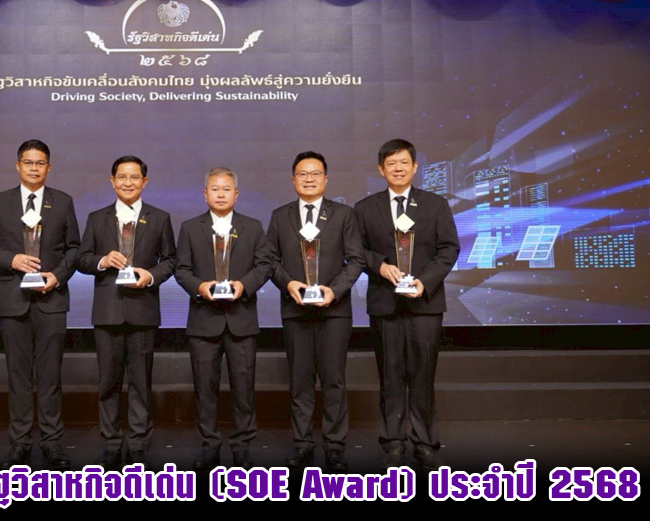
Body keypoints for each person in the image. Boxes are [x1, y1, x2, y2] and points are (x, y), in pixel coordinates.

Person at [0, 139, 80, 470]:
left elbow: (74, 248)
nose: (34, 168)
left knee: (50, 375)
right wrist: (11, 259)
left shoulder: (62, 201)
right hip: (13, 300)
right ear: (17, 165)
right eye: (28, 162)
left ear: (48, 167)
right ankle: (19, 443)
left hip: (51, 299)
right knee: (18, 375)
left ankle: (51, 442)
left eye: (40, 162)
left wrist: (57, 276)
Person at [354, 139, 459, 471]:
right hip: (385, 304)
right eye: (391, 163)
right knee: (390, 375)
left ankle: (425, 444)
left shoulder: (435, 205)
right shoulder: (365, 208)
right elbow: (356, 250)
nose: (397, 169)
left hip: (425, 304)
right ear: (380, 169)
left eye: (403, 163)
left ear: (414, 167)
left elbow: (449, 249)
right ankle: (393, 443)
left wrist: (424, 281)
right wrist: (380, 265)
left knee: (423, 375)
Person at [266, 151, 365, 472]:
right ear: (293, 179)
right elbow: (270, 261)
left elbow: (357, 259)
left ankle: (335, 445)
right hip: (295, 310)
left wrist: (334, 290)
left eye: (315, 173)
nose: (309, 179)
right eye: (302, 174)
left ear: (325, 178)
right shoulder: (280, 216)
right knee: (300, 380)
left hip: (334, 311)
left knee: (334, 380)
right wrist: (289, 283)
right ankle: (302, 444)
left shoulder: (344, 214)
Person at [76, 155, 176, 470]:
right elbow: (82, 259)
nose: (128, 183)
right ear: (112, 181)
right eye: (122, 177)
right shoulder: (97, 218)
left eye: (134, 177)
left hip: (143, 310)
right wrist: (103, 261)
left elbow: (171, 260)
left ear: (144, 182)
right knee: (108, 382)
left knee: (141, 383)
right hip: (107, 311)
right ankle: (110, 444)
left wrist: (151, 275)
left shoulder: (159, 218)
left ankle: (138, 445)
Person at [175, 167, 272, 470]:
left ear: (236, 194)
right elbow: (181, 269)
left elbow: (265, 265)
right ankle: (210, 445)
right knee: (205, 389)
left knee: (244, 388)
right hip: (204, 320)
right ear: (205, 194)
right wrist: (199, 287)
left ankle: (242, 446)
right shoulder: (190, 228)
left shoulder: (252, 227)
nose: (220, 194)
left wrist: (244, 285)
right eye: (215, 189)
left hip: (241, 319)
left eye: (226, 189)